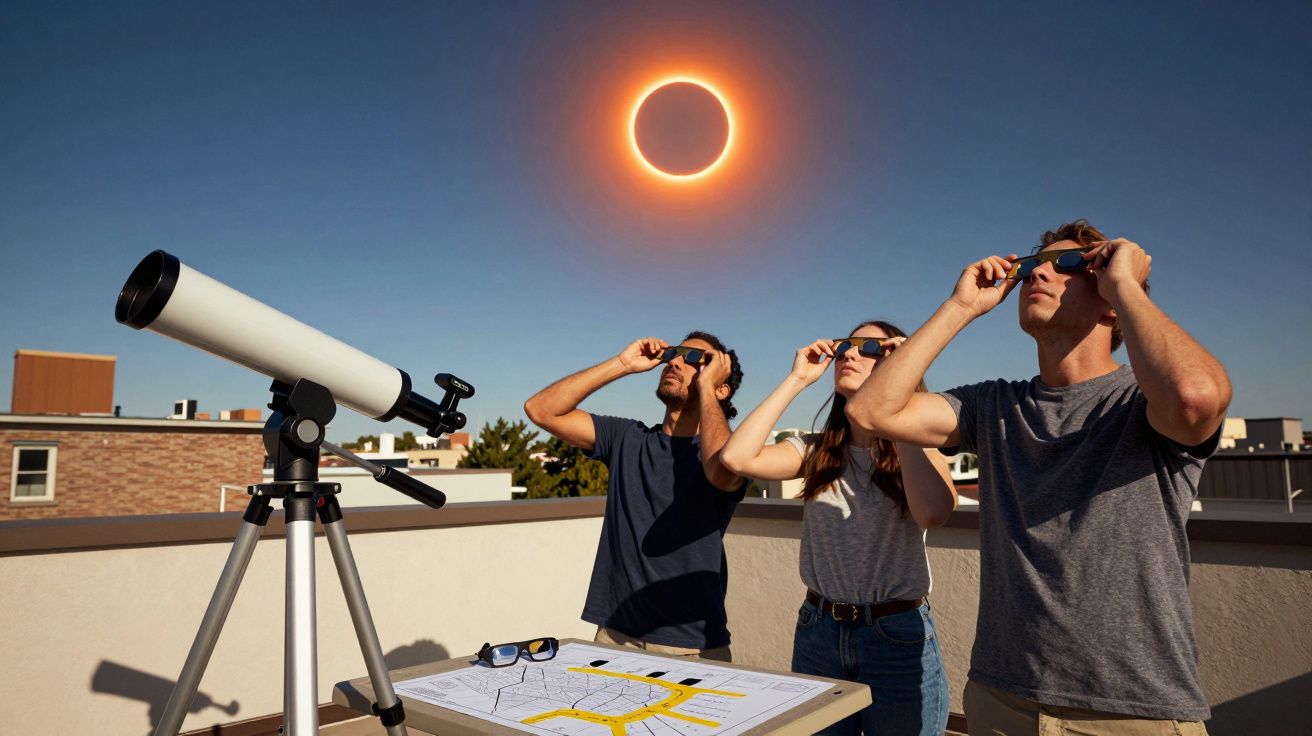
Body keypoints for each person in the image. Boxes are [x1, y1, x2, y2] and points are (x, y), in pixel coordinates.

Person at [846, 221, 1230, 734]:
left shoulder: (1142, 402)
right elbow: (871, 412)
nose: (1037, 274)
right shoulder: (994, 404)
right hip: (1002, 700)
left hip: (1130, 710)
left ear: (1109, 300)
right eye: (1031, 266)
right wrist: (960, 307)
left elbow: (1196, 399)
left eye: (1067, 264)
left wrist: (1127, 286)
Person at [720, 320, 956, 736]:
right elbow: (736, 458)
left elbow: (933, 513)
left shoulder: (917, 450)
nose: (849, 353)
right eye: (846, 345)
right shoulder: (815, 451)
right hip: (819, 631)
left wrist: (903, 393)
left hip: (895, 635)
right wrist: (797, 379)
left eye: (870, 348)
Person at [524, 331, 747, 660]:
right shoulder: (627, 438)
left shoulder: (729, 454)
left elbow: (726, 467)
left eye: (692, 358)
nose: (674, 362)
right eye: (673, 353)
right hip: (614, 635)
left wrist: (707, 389)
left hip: (690, 645)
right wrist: (623, 364)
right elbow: (540, 410)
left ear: (720, 385)